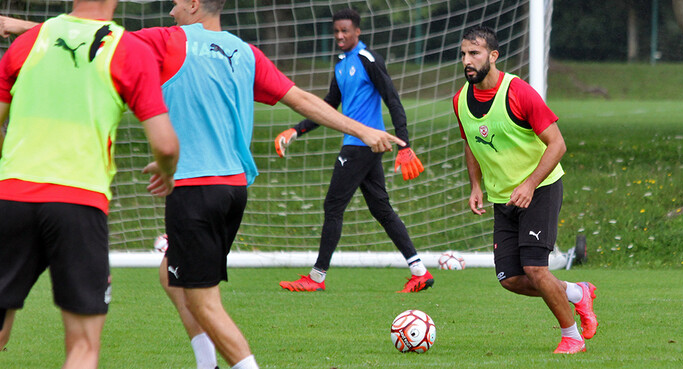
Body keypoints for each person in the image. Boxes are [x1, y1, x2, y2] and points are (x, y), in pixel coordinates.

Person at [0, 0, 404, 368]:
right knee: (170, 275)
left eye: (176, 2)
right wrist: (363, 131)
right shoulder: (246, 53)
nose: (171, 9)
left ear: (194, 4)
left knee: (202, 299)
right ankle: (205, 363)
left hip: (193, 187)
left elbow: (88, 33)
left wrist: (13, 24)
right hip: (233, 191)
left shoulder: (167, 41)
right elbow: (301, 100)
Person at [0, 0, 179, 367]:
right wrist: (167, 169)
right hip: (78, 203)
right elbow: (164, 144)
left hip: (11, 197)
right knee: (83, 346)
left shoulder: (30, 40)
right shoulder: (128, 48)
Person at [453, 26, 597, 354]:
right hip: (502, 197)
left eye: (474, 54)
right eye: (463, 54)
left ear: (493, 56)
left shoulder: (518, 92)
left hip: (541, 187)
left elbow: (557, 144)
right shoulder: (460, 99)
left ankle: (572, 337)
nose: (467, 61)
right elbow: (471, 145)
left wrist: (530, 184)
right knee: (511, 279)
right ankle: (577, 293)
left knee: (536, 268)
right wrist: (475, 185)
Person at [275, 8, 431, 294]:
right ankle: (419, 270)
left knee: (333, 207)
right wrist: (296, 130)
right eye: (336, 31)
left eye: (345, 31)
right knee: (381, 209)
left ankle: (317, 277)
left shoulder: (367, 60)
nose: (339, 36)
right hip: (361, 148)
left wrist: (405, 144)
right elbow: (327, 107)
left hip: (360, 147)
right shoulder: (341, 64)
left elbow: (393, 100)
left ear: (357, 31)